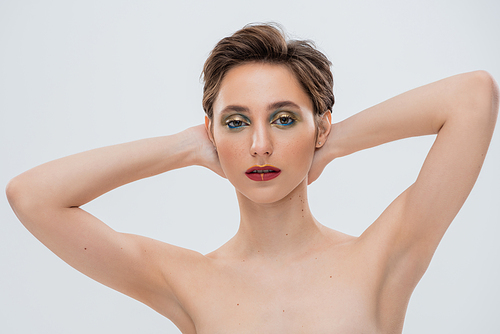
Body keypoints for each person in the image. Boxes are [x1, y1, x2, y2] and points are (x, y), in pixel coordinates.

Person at [6, 23, 498, 333]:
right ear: (211, 132)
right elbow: (31, 196)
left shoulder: (381, 257)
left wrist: (332, 145)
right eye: (236, 122)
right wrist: (185, 147)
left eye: (284, 119)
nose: (259, 146)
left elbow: (472, 97)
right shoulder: (187, 280)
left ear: (318, 124)